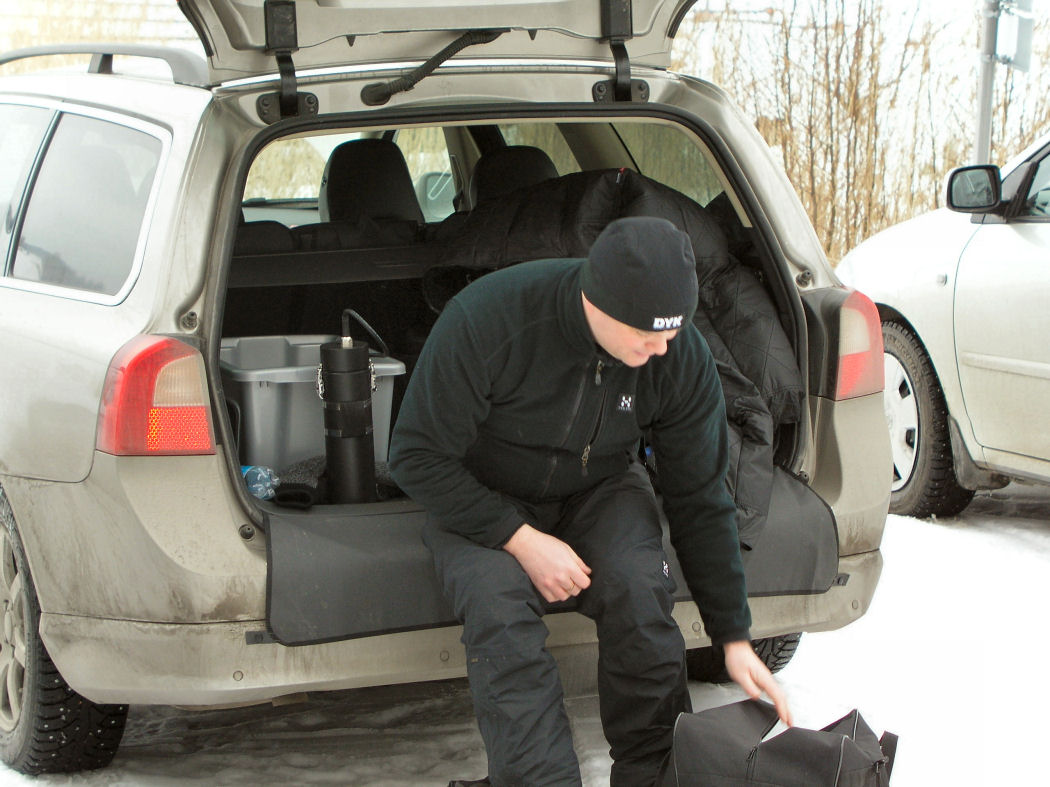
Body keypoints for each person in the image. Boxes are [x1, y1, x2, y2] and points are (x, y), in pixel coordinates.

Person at [389, 216, 792, 787]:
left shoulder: (678, 355)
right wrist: (519, 540)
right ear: (598, 302)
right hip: (485, 493)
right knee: (498, 606)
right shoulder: (490, 319)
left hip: (599, 486)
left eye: (672, 332)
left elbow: (700, 499)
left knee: (639, 585)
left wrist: (732, 635)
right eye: (647, 333)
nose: (661, 348)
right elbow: (415, 456)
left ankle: (655, 775)